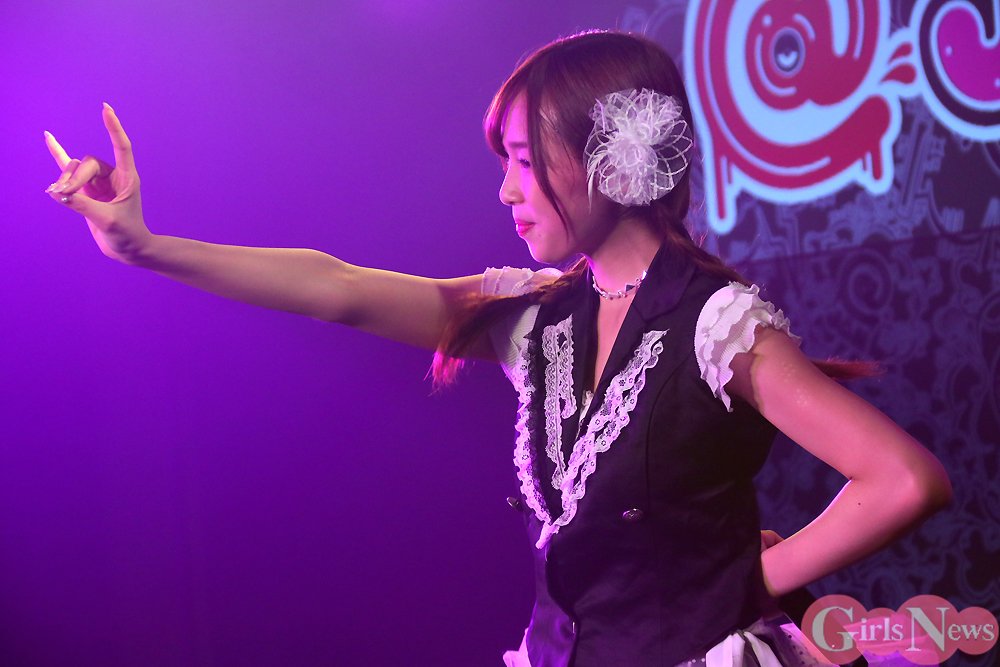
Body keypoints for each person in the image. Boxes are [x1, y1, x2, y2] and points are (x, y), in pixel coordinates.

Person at [44, 30, 950, 667]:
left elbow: (904, 478)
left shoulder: (716, 326)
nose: (507, 191)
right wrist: (145, 248)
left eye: (523, 158)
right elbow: (339, 286)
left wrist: (747, 578)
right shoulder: (538, 317)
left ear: (610, 160)